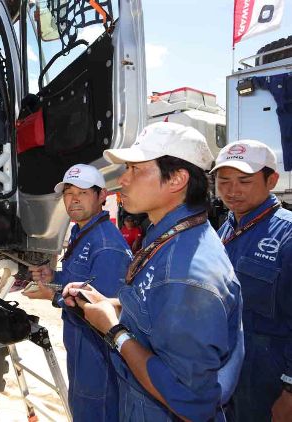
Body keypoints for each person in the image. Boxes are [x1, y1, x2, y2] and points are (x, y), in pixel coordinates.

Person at [64, 122, 244, 421]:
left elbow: (190, 400)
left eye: (135, 169)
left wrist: (114, 330)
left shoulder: (188, 272)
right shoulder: (169, 237)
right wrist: (113, 305)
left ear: (176, 179)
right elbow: (159, 312)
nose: (123, 180)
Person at [23, 164, 132, 421]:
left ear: (102, 195)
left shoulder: (106, 245)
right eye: (68, 193)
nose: (73, 199)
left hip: (98, 354)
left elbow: (103, 310)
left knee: (95, 412)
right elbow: (79, 282)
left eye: (82, 192)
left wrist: (51, 296)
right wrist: (54, 278)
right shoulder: (81, 231)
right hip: (79, 344)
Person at [212, 140, 292, 421]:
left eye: (244, 181)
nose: (232, 191)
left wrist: (290, 392)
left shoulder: (287, 235)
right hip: (229, 379)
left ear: (271, 180)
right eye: (224, 181)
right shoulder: (224, 231)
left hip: (270, 385)